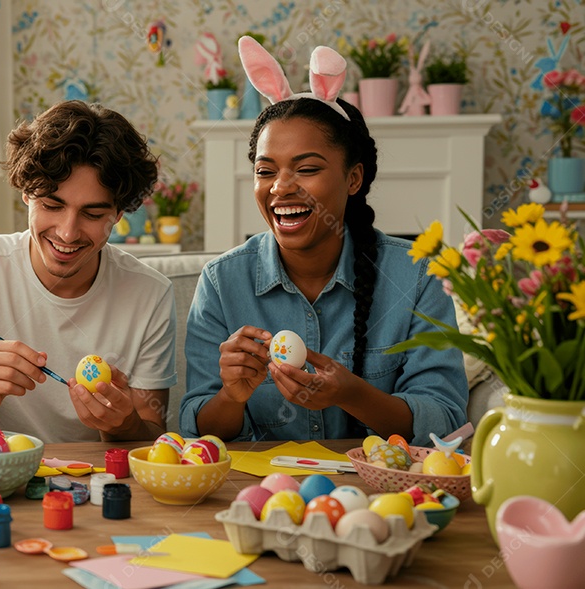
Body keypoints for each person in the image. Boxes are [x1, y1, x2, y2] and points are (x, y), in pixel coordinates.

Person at [180, 39, 467, 446]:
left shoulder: (417, 275)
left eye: (307, 168)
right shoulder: (221, 282)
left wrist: (353, 395)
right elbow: (198, 431)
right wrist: (232, 394)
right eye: (266, 171)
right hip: (260, 495)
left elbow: (447, 421)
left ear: (354, 179)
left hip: (383, 496)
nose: (280, 187)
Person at [0, 100, 175, 443]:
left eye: (92, 214)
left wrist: (122, 425)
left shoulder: (149, 293)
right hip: (1, 477)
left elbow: (154, 436)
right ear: (26, 193)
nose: (67, 233)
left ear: (119, 215)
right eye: (52, 205)